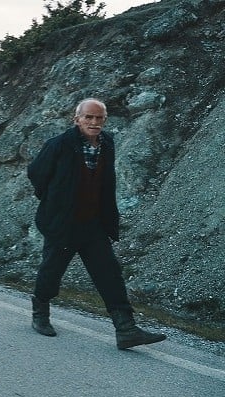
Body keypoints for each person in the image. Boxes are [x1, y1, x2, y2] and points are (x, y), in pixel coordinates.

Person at [27, 98, 166, 350]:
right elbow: (37, 173)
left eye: (99, 118)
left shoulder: (107, 143)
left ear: (104, 120)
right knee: (52, 272)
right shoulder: (58, 145)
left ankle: (126, 330)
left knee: (109, 275)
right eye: (88, 117)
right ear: (77, 119)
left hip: (94, 225)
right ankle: (40, 314)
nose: (94, 122)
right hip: (63, 224)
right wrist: (56, 202)